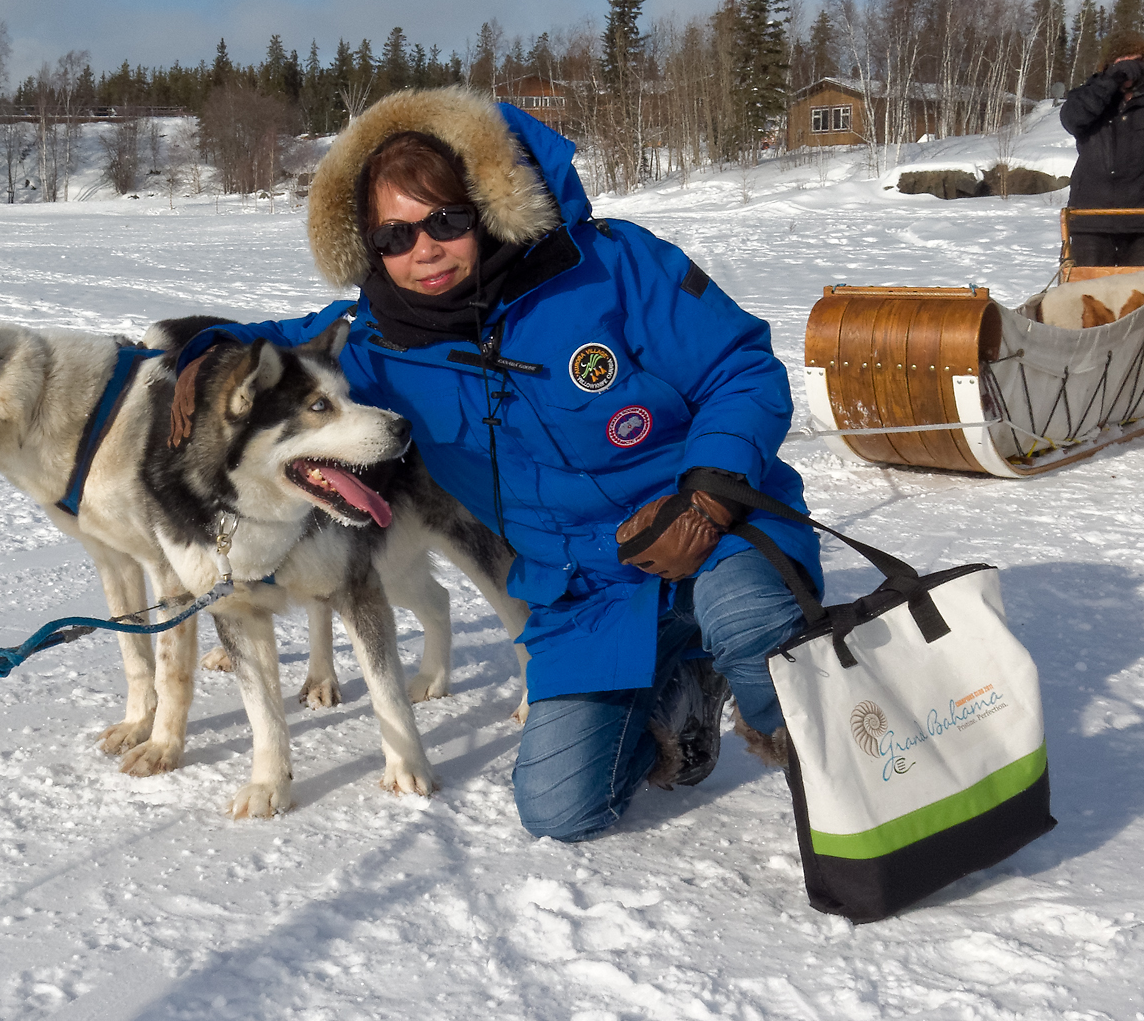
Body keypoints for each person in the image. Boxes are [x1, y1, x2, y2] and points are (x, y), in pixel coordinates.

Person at [171, 88, 822, 841]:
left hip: (717, 526)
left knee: (753, 625)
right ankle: (682, 672)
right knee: (559, 809)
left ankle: (856, 762)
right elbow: (278, 344)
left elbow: (741, 369)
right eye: (394, 236)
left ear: (487, 202)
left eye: (446, 221)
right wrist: (202, 354)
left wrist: (707, 497)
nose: (424, 250)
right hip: (587, 586)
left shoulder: (611, 266)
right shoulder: (377, 343)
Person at [1060, 32, 1144, 267]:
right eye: (1122, 62)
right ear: (1109, 65)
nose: (1130, 69)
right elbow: (1072, 120)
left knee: (1142, 297)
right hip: (1091, 219)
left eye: (1136, 61)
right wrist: (1109, 83)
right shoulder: (1086, 96)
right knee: (1086, 295)